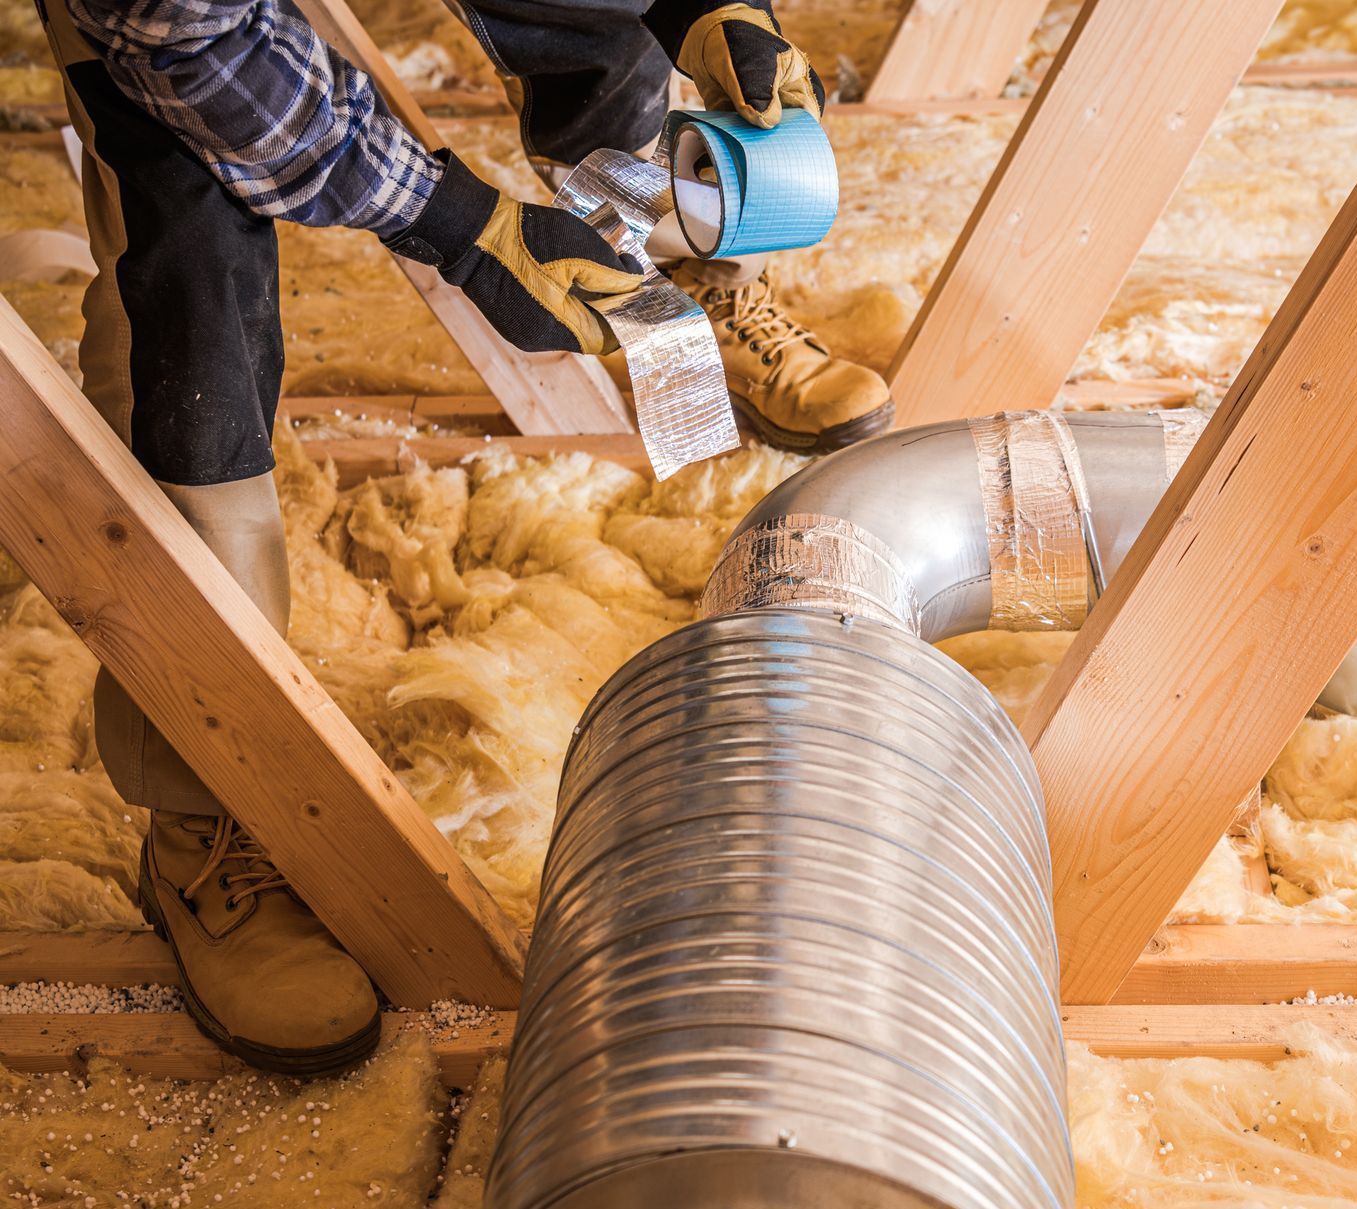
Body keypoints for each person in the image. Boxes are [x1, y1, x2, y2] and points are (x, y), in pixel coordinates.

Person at [38, 0, 883, 1076]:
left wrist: (712, 7)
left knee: (600, 20)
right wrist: (469, 230)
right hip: (177, 32)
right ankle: (207, 802)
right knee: (188, 283)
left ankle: (670, 274)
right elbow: (197, 51)